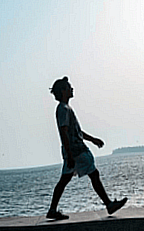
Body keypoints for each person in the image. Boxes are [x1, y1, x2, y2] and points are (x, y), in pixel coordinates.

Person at [47, 76, 127, 220]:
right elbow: (63, 132)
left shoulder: (65, 109)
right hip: (76, 151)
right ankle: (109, 204)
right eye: (69, 87)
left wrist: (93, 139)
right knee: (93, 174)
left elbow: (76, 132)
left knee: (65, 179)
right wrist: (70, 155)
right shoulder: (63, 109)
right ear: (64, 91)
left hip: (74, 151)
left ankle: (52, 209)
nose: (72, 89)